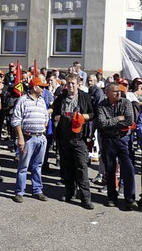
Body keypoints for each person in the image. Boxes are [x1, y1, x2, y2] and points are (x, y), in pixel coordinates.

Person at [52, 73, 95, 210]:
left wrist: (83, 117)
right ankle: (69, 193)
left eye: (73, 83)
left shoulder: (84, 97)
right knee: (67, 167)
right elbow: (54, 114)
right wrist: (57, 117)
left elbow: (93, 114)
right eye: (68, 83)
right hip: (64, 137)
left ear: (78, 84)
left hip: (79, 138)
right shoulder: (61, 98)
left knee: (81, 167)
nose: (70, 86)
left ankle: (86, 198)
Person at [96, 83, 137, 210]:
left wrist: (112, 122)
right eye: (115, 91)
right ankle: (111, 197)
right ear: (107, 93)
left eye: (119, 91)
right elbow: (102, 123)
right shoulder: (102, 105)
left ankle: (130, 198)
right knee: (110, 169)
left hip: (123, 139)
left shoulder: (126, 103)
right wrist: (119, 118)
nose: (118, 93)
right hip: (109, 140)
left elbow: (130, 120)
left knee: (128, 169)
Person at [11, 77, 50, 203]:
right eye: (42, 87)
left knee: (37, 166)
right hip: (28, 138)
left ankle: (37, 190)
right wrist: (20, 138)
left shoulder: (42, 101)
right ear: (35, 87)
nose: (44, 89)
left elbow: (46, 116)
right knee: (23, 166)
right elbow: (16, 120)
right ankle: (19, 192)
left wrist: (43, 126)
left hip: (40, 137)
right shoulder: (23, 100)